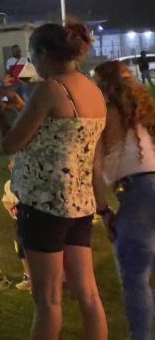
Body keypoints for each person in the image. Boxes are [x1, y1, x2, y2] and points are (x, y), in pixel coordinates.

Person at [0, 23, 107, 340]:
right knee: (89, 296)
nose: (34, 65)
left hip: (44, 207)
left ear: (44, 53)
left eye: (33, 57)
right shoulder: (94, 92)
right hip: (80, 206)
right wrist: (103, 207)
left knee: (47, 301)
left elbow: (9, 144)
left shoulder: (49, 89)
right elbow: (85, 150)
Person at [92, 60, 155, 340]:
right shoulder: (145, 113)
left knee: (135, 279)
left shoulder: (102, 116)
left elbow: (93, 169)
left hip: (137, 195)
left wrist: (104, 211)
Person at [1, 169, 32, 291]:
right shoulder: (10, 184)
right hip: (21, 221)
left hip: (35, 220)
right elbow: (6, 201)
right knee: (22, 248)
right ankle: (29, 277)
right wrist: (12, 210)